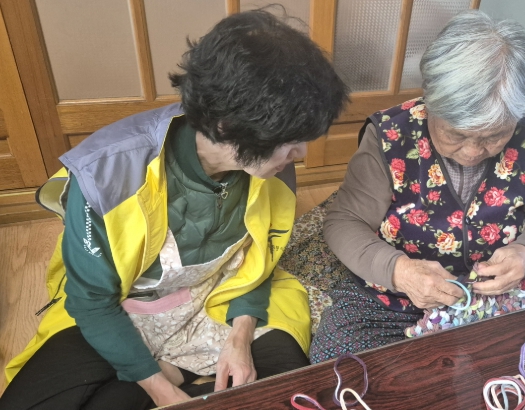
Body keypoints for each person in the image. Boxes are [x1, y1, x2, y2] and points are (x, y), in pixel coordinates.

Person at [1, 10, 348, 409]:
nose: (300, 154)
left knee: (286, 394)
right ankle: (167, 376)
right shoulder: (107, 174)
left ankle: (167, 374)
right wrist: (161, 390)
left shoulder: (271, 167)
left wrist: (240, 338)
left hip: (221, 295)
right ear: (226, 126)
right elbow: (93, 302)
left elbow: (259, 261)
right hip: (122, 306)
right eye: (290, 140)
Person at [310, 10, 525, 363]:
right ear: (429, 104)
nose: (472, 152)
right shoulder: (391, 136)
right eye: (456, 135)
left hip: (493, 299)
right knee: (340, 366)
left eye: (494, 136)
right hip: (392, 299)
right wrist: (399, 271)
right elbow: (343, 222)